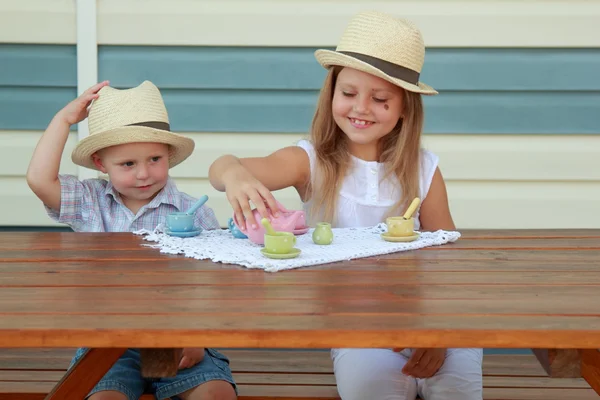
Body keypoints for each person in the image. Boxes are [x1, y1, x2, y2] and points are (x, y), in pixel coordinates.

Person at [208, 10, 482, 400]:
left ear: (405, 107)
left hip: (434, 320)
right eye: (349, 93)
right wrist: (233, 175)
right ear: (332, 93)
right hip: (357, 329)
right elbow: (222, 168)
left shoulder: (424, 168)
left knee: (457, 392)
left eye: (381, 98)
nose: (361, 108)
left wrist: (439, 331)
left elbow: (446, 262)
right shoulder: (310, 161)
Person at [26, 80, 237, 400]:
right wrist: (63, 120)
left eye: (154, 159)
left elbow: (209, 284)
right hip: (108, 344)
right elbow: (40, 180)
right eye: (128, 164)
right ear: (100, 164)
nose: (143, 173)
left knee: (215, 394)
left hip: (179, 337)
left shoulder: (193, 212)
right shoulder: (88, 204)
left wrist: (196, 335)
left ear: (169, 154)